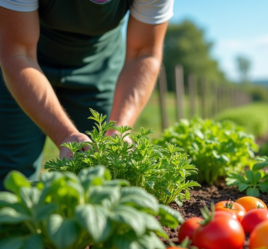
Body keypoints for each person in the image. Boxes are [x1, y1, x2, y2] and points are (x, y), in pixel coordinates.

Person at [0, 0, 173, 190]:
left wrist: (119, 131)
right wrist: (66, 135)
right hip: (23, 64)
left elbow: (143, 53)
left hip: (99, 68)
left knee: (101, 174)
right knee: (12, 176)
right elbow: (18, 53)